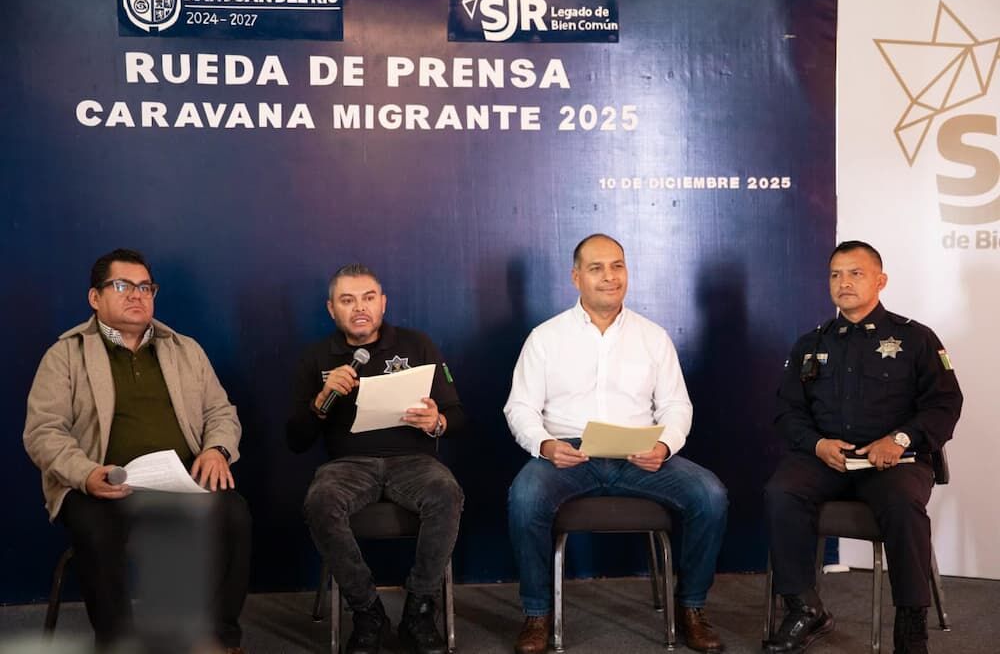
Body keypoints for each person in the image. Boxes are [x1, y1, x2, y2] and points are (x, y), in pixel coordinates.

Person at [504, 234, 729, 654]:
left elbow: (677, 406)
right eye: (596, 268)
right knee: (525, 495)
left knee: (710, 494)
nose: (609, 277)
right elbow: (520, 407)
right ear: (576, 277)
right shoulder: (545, 337)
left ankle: (691, 608)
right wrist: (545, 445)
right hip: (569, 455)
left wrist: (664, 447)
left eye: (617, 266)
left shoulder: (653, 337)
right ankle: (537, 614)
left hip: (637, 455)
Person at [23, 248, 251, 653]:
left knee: (234, 513)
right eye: (122, 286)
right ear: (95, 297)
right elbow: (43, 431)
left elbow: (221, 411)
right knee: (95, 527)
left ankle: (218, 639)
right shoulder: (65, 356)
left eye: (145, 287)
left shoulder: (186, 350)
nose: (136, 295)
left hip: (180, 481)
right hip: (103, 484)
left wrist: (217, 449)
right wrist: (86, 474)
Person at [765, 240, 962, 654]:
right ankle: (805, 607)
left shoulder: (916, 339)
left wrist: (900, 439)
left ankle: (911, 625)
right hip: (827, 458)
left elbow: (945, 404)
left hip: (894, 461)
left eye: (856, 273)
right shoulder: (811, 344)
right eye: (836, 274)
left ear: (880, 281)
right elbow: (787, 411)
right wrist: (817, 444)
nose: (844, 282)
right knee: (781, 491)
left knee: (904, 503)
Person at [287, 263, 465, 654]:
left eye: (368, 298)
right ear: (331, 309)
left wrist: (436, 422)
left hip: (414, 461)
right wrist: (320, 401)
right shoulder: (315, 357)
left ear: (383, 303)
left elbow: (457, 416)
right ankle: (368, 612)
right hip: (348, 466)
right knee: (321, 501)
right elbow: (296, 441)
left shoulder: (418, 345)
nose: (360, 308)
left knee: (446, 493)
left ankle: (419, 610)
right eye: (347, 300)